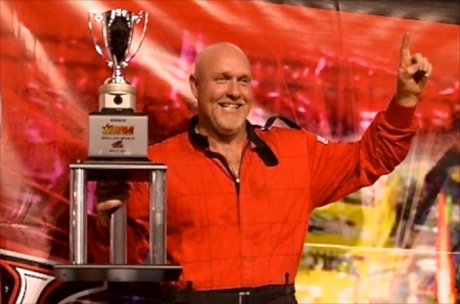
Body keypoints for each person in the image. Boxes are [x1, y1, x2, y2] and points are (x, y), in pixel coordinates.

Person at [89, 33, 432, 304]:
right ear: (195, 87)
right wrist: (107, 223)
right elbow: (120, 258)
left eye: (243, 80)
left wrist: (404, 100)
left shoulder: (297, 153)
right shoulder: (157, 164)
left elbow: (370, 157)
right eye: (222, 80)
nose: (234, 92)